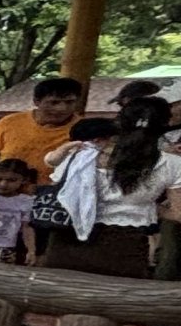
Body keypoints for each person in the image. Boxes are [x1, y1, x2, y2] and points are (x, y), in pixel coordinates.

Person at [41, 97, 181, 280]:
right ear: (165, 123)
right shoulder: (173, 163)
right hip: (125, 244)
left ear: (119, 120)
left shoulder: (83, 153)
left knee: (55, 300)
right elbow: (178, 214)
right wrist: (147, 206)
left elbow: (59, 187)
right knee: (116, 302)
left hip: (67, 235)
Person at [0, 76, 84, 179]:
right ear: (36, 101)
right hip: (4, 193)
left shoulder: (86, 128)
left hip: (55, 195)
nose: (62, 108)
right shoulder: (10, 122)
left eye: (69, 102)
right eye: (53, 102)